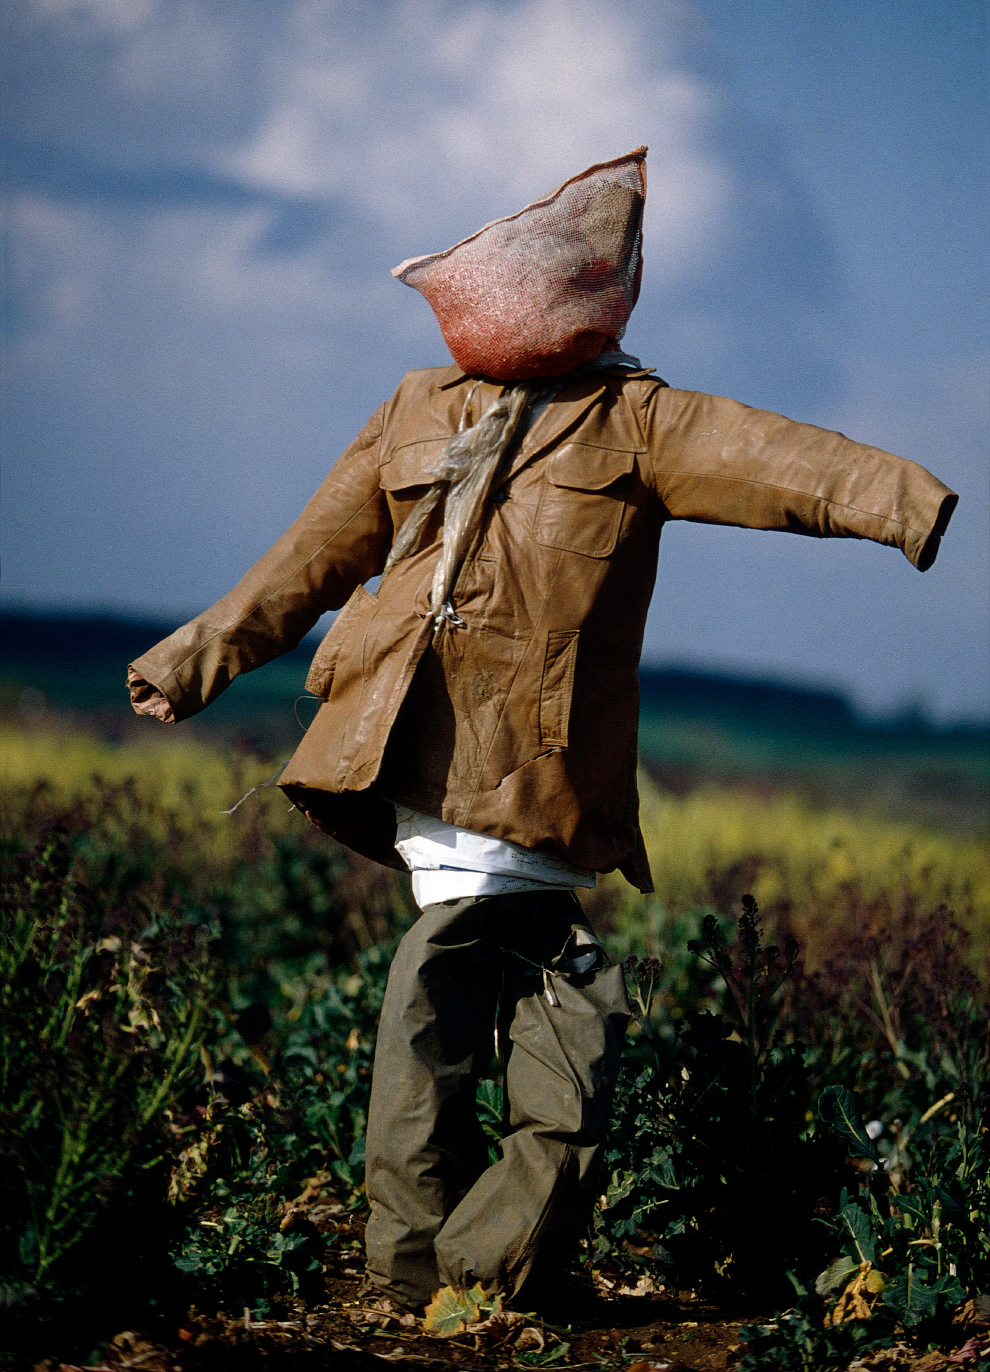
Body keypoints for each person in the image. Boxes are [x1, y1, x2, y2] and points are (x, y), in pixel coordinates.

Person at [127, 148, 957, 1313]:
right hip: (423, 751)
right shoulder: (416, 410)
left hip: (545, 767)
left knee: (540, 992)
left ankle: (461, 1266)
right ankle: (443, 1265)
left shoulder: (638, 419)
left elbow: (785, 463)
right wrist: (194, 657)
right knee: (480, 982)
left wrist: (908, 504)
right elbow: (310, 560)